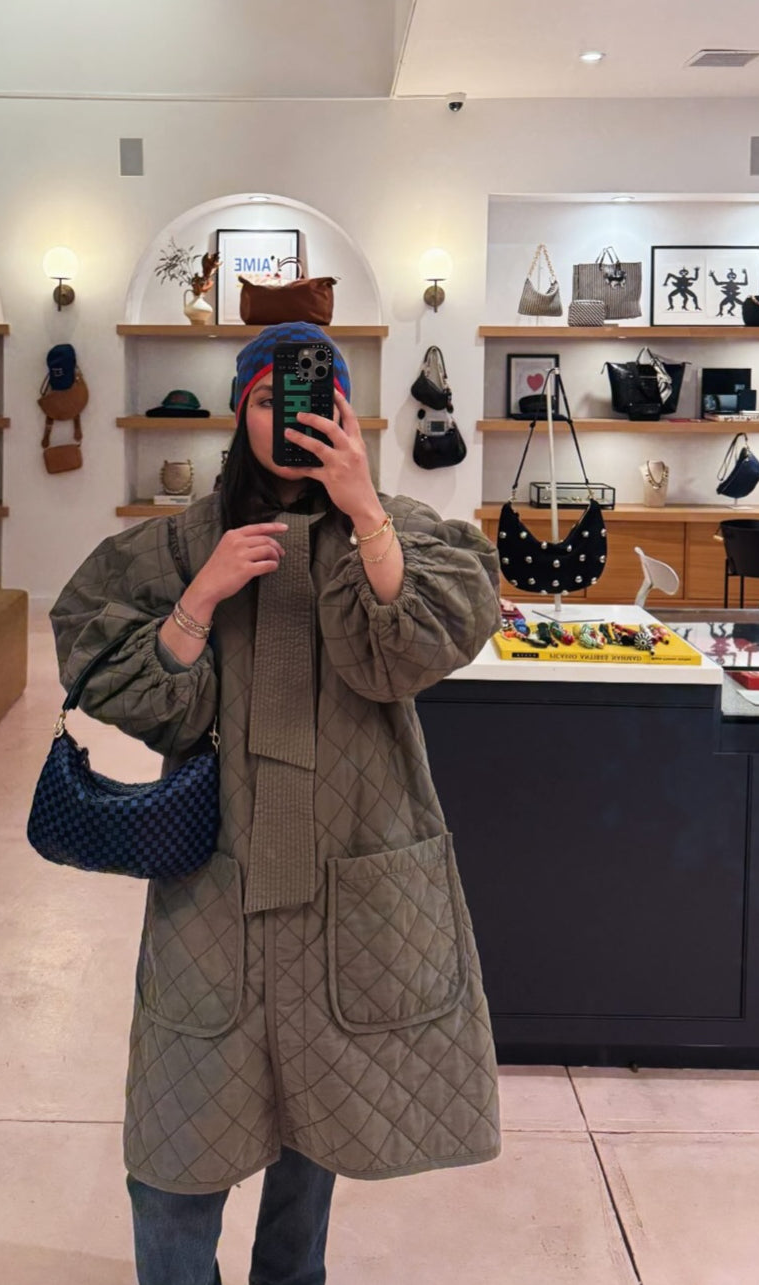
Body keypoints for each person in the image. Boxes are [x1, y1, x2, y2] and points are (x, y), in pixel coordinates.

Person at [50, 321, 502, 1285]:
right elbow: (115, 673)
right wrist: (201, 599)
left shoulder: (398, 528)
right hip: (218, 885)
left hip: (352, 868)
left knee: (314, 1132)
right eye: (267, 399)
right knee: (173, 1159)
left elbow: (424, 645)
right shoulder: (183, 543)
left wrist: (364, 510)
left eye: (311, 400)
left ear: (344, 412)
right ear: (240, 411)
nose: (286, 419)